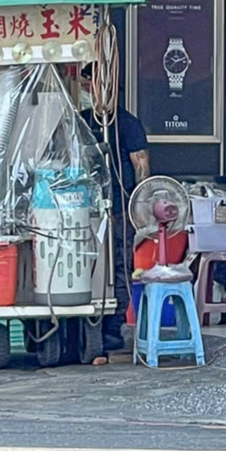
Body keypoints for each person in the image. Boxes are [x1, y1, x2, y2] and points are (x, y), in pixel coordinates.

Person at [81, 103, 150, 352]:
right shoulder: (83, 120)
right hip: (84, 206)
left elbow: (141, 162)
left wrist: (136, 205)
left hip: (120, 206)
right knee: (88, 262)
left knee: (120, 264)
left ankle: (114, 325)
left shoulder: (127, 123)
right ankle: (86, 322)